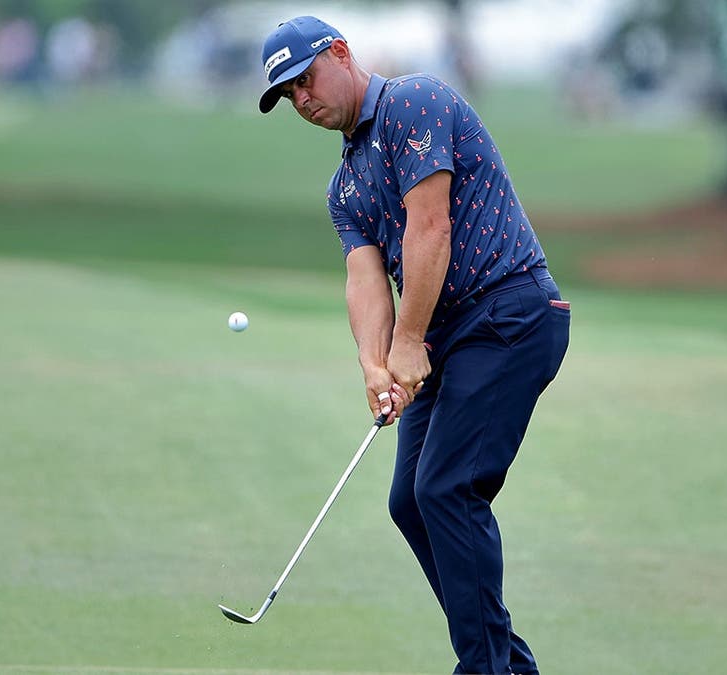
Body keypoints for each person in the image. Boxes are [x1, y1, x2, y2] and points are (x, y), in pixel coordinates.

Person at [258, 16, 570, 675]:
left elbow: (430, 228)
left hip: (511, 311)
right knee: (412, 500)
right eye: (289, 95)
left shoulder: (414, 103)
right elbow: (365, 276)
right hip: (449, 333)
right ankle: (507, 664)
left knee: (447, 487)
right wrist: (375, 363)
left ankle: (485, 667)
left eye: (306, 79)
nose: (303, 100)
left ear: (340, 53)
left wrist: (406, 341)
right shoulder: (343, 186)